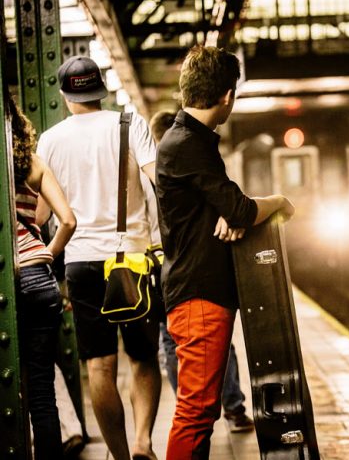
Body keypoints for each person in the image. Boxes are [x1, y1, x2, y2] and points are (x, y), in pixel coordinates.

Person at [155, 46, 294, 459]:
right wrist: (280, 200)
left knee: (201, 410)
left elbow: (227, 209)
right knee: (196, 412)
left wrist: (232, 212)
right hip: (197, 296)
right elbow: (240, 208)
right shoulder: (186, 144)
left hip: (201, 292)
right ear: (227, 96)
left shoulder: (192, 142)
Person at [37, 56, 162, 460]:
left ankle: (123, 456)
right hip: (133, 260)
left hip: (81, 261)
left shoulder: (50, 141)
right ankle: (144, 442)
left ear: (63, 94)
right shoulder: (129, 124)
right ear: (100, 89)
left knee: (99, 367)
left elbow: (39, 215)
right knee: (143, 358)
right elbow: (159, 179)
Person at [149, 110, 254, 433]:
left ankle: (200, 396)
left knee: (172, 344)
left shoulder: (156, 166)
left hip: (160, 267)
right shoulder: (180, 159)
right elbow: (233, 207)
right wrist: (277, 202)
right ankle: (232, 406)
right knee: (194, 412)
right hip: (187, 274)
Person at [10, 93, 77, 459]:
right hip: (39, 276)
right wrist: (46, 255)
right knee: (41, 390)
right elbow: (66, 220)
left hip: (9, 279)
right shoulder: (32, 163)